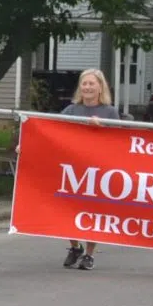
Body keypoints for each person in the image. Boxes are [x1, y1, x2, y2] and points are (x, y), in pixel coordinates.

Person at [57, 70, 121, 270]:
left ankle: (89, 254)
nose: (87, 87)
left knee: (93, 212)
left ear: (100, 87)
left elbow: (119, 141)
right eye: (84, 83)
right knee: (68, 209)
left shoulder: (110, 112)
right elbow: (50, 130)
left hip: (97, 168)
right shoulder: (70, 110)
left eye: (92, 83)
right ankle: (75, 247)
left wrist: (100, 128)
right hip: (72, 167)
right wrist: (27, 143)